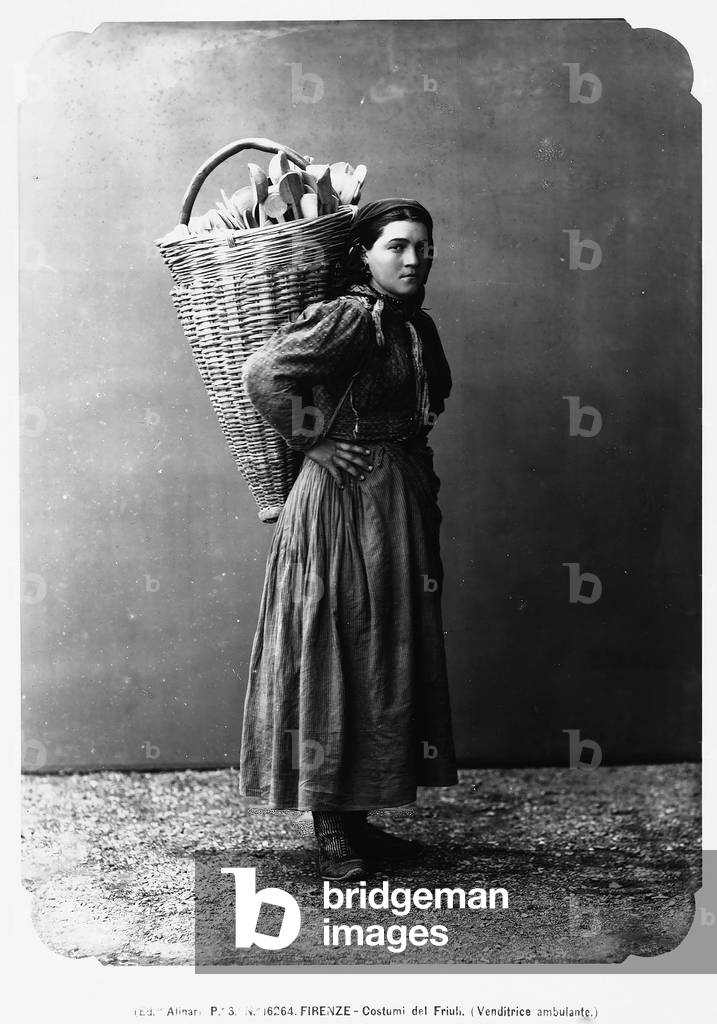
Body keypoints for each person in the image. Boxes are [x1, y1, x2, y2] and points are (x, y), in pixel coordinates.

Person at [238, 197, 458, 882]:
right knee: (335, 649)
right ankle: (331, 829)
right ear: (362, 255)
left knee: (379, 652)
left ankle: (358, 820)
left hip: (392, 505)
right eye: (396, 245)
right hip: (340, 508)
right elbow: (264, 374)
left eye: (422, 246)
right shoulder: (348, 318)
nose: (413, 258)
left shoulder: (411, 326)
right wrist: (317, 441)